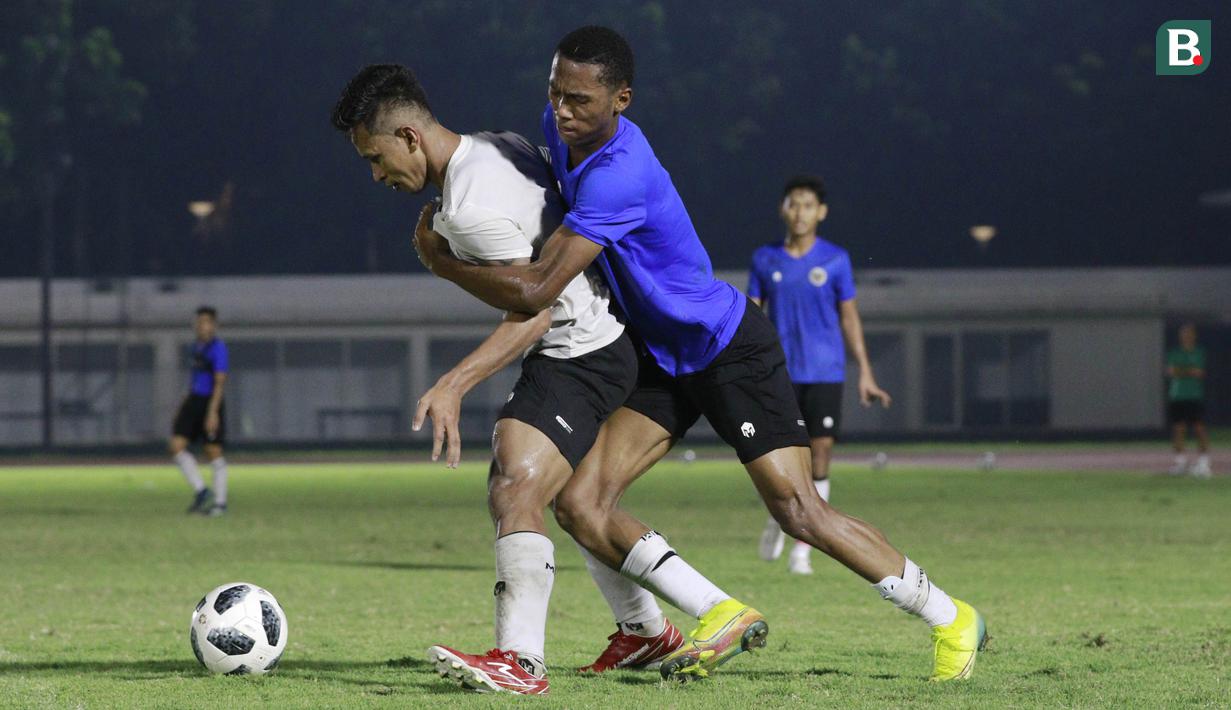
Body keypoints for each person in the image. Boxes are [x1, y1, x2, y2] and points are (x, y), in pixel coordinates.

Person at [414, 25, 986, 682]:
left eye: (581, 100)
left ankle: (949, 616)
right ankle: (666, 627)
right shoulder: (558, 126)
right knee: (578, 502)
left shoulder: (619, 174)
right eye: (555, 95)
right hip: (661, 357)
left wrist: (443, 260)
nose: (564, 112)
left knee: (799, 512)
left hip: (725, 348)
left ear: (621, 99)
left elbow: (543, 284)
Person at [332, 64, 758, 695]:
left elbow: (534, 312)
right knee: (571, 502)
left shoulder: (467, 210)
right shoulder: (499, 143)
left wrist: (454, 379)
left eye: (376, 156)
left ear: (410, 136)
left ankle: (521, 663)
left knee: (514, 484)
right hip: (609, 336)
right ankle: (648, 629)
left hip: (579, 349)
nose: (377, 175)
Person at [748, 175, 892, 575]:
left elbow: (849, 318)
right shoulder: (765, 259)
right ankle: (781, 516)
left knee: (821, 453)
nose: (800, 212)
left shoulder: (835, 260)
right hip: (780, 373)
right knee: (781, 459)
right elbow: (752, 316)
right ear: (783, 209)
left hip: (826, 372)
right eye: (794, 204)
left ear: (821, 212)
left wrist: (865, 370)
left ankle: (802, 551)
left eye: (808, 205)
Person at [170, 306, 230, 516]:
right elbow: (194, 380)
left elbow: (220, 382)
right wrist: (182, 405)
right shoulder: (196, 347)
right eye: (198, 321)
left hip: (210, 402)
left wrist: (213, 412)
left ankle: (220, 504)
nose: (200, 325)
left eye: (205, 321)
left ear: (213, 325)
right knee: (177, 445)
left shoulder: (218, 348)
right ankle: (202, 491)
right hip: (194, 400)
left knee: (213, 451)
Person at [1167, 323, 1211, 478]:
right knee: (1178, 430)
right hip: (1177, 395)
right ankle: (1180, 463)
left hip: (1194, 396)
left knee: (1199, 428)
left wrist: (1182, 370)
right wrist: (1188, 370)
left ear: (1194, 335)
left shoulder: (1199, 352)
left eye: (1189, 334)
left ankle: (1204, 463)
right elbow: (1172, 372)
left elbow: (1198, 372)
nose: (1186, 336)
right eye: (1183, 334)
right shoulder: (1174, 352)